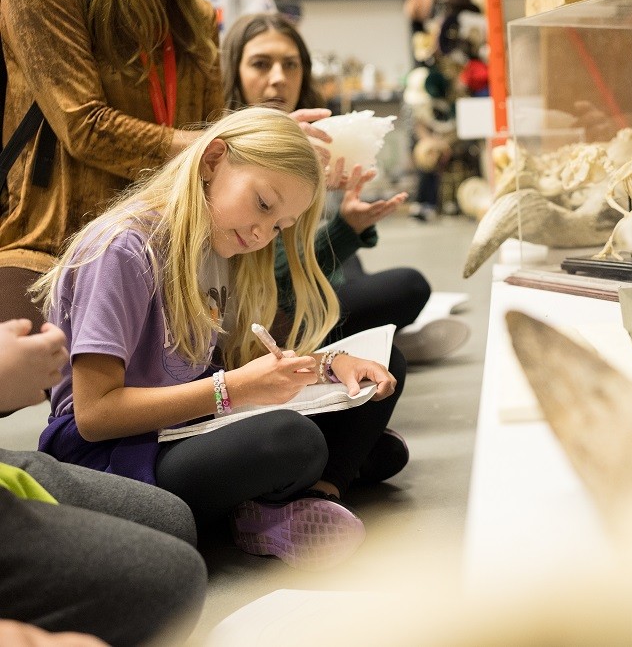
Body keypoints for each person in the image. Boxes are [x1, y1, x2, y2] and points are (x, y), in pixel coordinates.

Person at [31, 107, 406, 570]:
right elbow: (94, 415)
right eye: (263, 205)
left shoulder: (216, 245)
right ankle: (283, 498)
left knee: (384, 372)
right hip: (110, 455)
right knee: (292, 441)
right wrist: (236, 390)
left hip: (188, 427)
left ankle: (307, 495)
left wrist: (327, 368)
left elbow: (240, 363)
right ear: (212, 162)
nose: (260, 233)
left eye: (278, 227)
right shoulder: (124, 250)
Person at [0, 0, 334, 331]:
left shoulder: (197, 15)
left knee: (310, 356)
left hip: (172, 252)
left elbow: (213, 150)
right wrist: (236, 140)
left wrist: (262, 152)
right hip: (49, 246)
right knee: (37, 367)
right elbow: (84, 127)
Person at [220, 11, 470, 361]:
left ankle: (379, 338)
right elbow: (270, 287)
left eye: (291, 65)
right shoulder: (223, 153)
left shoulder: (314, 141)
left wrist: (345, 221)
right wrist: (344, 230)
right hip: (263, 316)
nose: (278, 79)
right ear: (234, 71)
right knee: (408, 288)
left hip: (293, 292)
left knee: (350, 268)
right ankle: (385, 340)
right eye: (261, 64)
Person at [0, 319, 207, 645]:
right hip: (94, 441)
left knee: (174, 521)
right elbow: (95, 414)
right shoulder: (117, 267)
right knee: (170, 577)